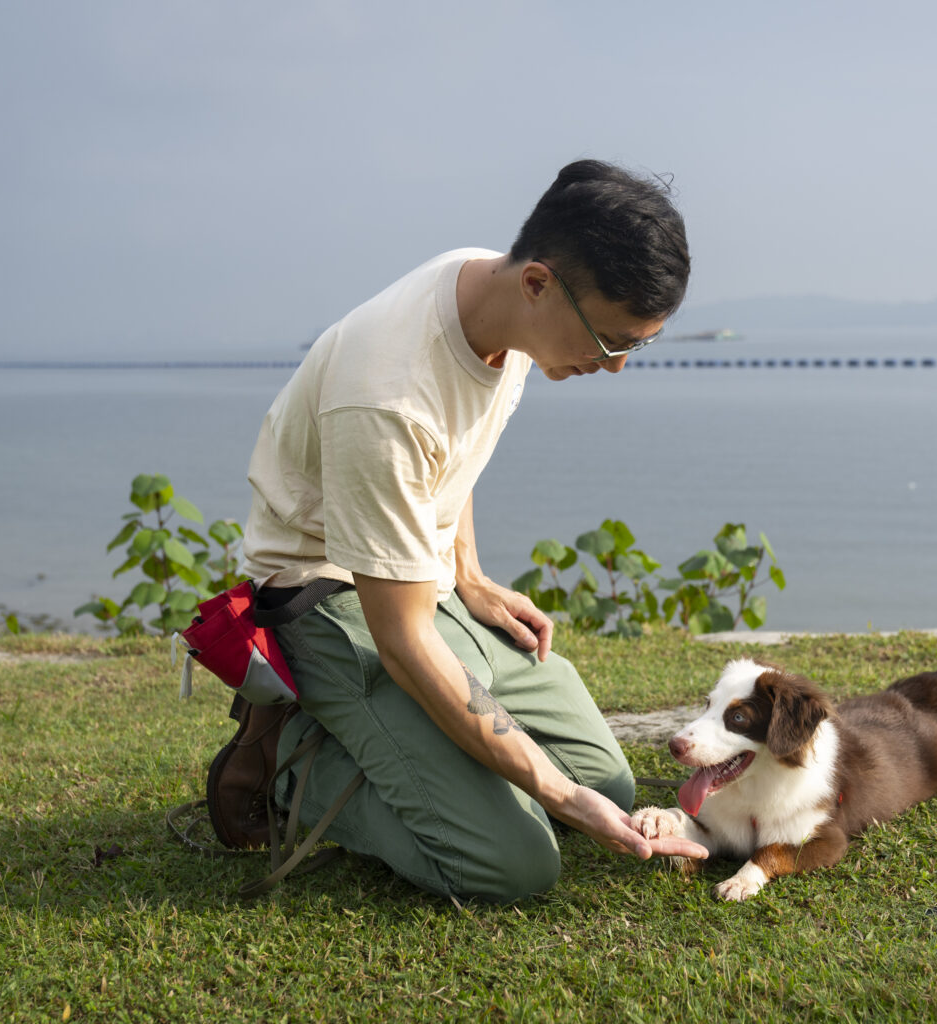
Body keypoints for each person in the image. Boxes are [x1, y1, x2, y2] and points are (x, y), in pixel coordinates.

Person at [228, 160, 707, 903]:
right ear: (540, 283)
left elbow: (454, 454)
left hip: (415, 575)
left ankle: (417, 744)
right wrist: (555, 794)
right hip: (327, 592)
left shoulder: (493, 299)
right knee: (517, 863)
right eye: (610, 341)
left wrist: (472, 575)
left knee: (606, 781)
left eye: (633, 347)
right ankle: (295, 757)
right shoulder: (386, 397)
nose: (612, 367)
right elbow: (404, 641)